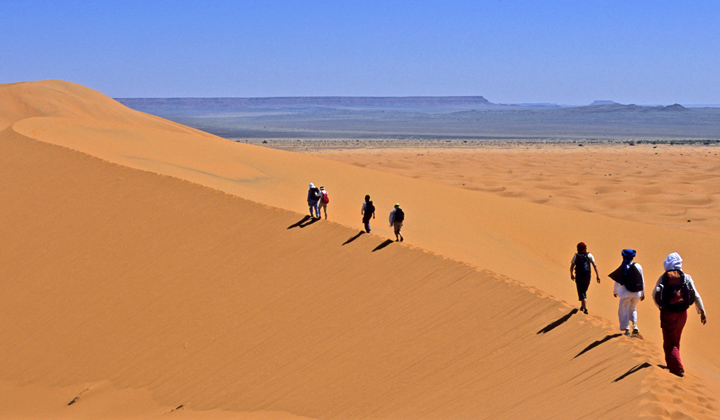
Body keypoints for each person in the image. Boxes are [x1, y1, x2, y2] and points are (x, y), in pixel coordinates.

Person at [652, 252, 707, 377]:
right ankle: (673, 363)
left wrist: (660, 307)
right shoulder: (686, 277)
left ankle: (677, 368)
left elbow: (654, 294)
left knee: (669, 341)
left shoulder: (663, 278)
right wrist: (702, 311)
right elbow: (696, 295)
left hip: (668, 313)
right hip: (682, 314)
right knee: (676, 339)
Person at [608, 249, 645, 337]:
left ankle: (627, 330)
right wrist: (643, 293)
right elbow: (642, 280)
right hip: (637, 293)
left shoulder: (623, 267)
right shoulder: (638, 266)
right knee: (633, 308)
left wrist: (615, 291)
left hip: (625, 294)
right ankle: (635, 325)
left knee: (623, 310)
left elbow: (617, 281)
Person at [570, 242, 600, 314]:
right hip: (587, 276)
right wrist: (597, 275)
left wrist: (571, 274)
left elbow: (572, 266)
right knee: (583, 291)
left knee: (582, 292)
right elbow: (595, 265)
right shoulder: (589, 255)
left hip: (579, 276)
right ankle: (582, 306)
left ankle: (585, 308)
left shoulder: (576, 256)